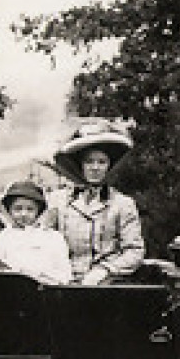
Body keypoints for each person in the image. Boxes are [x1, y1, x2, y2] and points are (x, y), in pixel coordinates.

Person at [42, 121, 146, 285]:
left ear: (109, 166)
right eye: (89, 161)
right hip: (63, 282)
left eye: (101, 162)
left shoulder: (122, 204)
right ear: (80, 165)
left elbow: (134, 251)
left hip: (107, 284)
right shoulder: (57, 201)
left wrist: (105, 270)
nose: (95, 167)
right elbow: (43, 242)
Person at [0, 179, 72, 284]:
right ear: (9, 210)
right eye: (18, 209)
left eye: (30, 209)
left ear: (38, 211)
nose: (24, 214)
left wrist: (41, 276)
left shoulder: (53, 238)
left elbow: (65, 273)